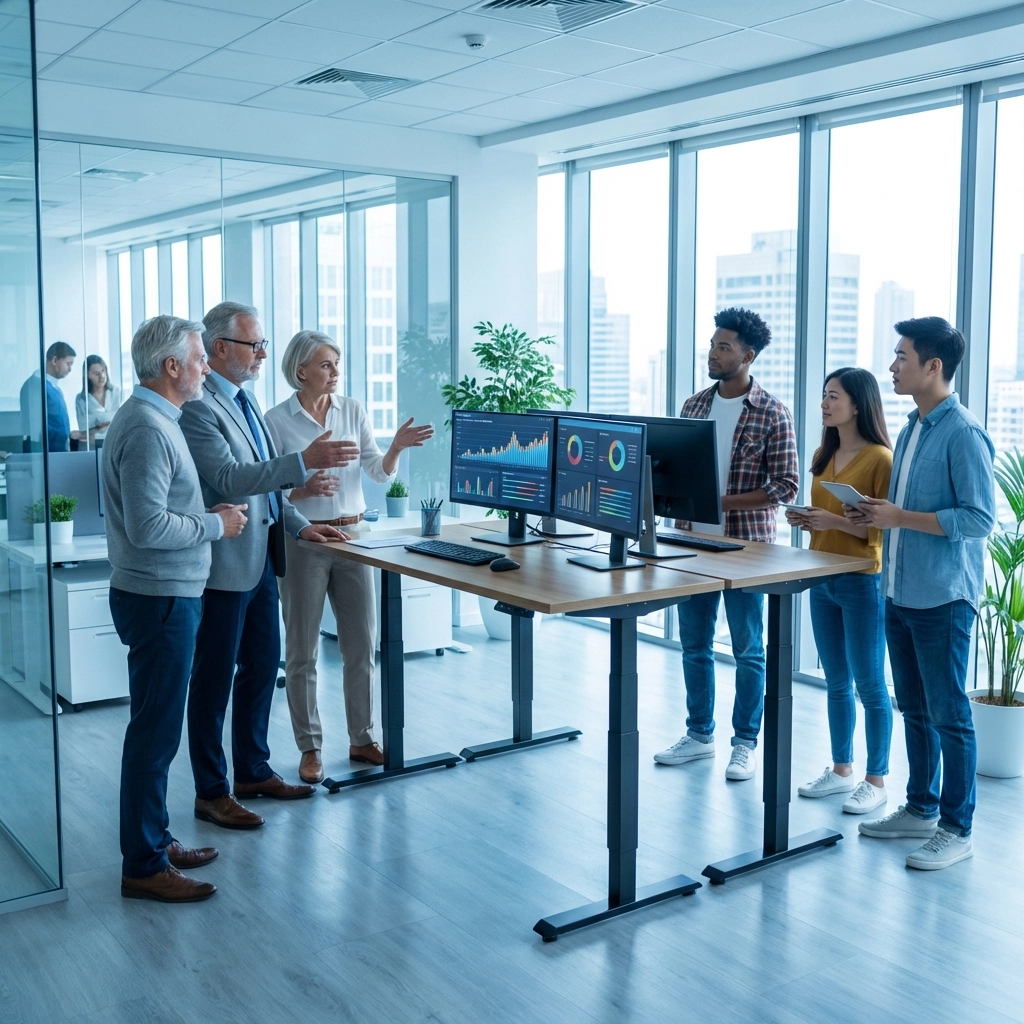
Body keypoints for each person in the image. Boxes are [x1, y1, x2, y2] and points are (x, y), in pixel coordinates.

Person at [179, 301, 354, 830]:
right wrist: (306, 462)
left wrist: (301, 525)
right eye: (252, 345)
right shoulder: (199, 407)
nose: (261, 354)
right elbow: (232, 479)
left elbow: (269, 489)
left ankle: (252, 770)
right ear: (218, 349)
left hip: (262, 561)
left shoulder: (247, 401)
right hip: (224, 565)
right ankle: (212, 790)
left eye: (261, 344)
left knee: (261, 668)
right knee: (213, 681)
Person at [103, 315, 248, 903]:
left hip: (168, 594)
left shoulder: (157, 419)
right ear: (171, 367)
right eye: (199, 358)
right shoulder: (147, 428)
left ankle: (155, 840)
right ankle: (143, 864)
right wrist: (217, 523)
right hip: (159, 596)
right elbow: (148, 526)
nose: (206, 367)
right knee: (155, 734)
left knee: (156, 728)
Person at [847, 317, 995, 870]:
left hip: (943, 599)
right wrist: (873, 513)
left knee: (949, 714)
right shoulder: (910, 430)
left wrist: (900, 516)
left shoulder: (964, 433)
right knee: (913, 707)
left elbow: (979, 519)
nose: (891, 366)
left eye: (901, 357)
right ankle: (921, 808)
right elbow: (904, 516)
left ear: (934, 366)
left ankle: (957, 828)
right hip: (900, 592)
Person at [265, 330, 434, 784]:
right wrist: (303, 488)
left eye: (337, 363)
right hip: (304, 542)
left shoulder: (352, 410)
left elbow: (376, 470)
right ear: (301, 370)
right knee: (302, 651)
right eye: (325, 364)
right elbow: (268, 491)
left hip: (353, 536)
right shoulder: (276, 421)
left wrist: (395, 447)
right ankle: (310, 748)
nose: (335, 372)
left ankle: (361, 738)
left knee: (361, 645)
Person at [654, 307, 799, 781]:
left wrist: (719, 504)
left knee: (748, 650)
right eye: (712, 344)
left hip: (746, 549)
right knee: (694, 644)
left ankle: (745, 742)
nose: (712, 353)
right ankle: (699, 736)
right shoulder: (693, 406)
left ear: (748, 355)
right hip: (690, 546)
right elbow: (671, 469)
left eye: (723, 346)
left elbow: (786, 486)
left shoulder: (773, 412)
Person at [786, 368, 893, 814]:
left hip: (861, 580)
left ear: (857, 405)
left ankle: (877, 778)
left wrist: (831, 522)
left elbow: (884, 532)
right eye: (824, 395)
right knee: (836, 682)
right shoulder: (822, 453)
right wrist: (809, 518)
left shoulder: (880, 459)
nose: (825, 404)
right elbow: (828, 515)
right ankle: (842, 769)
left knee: (870, 684)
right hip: (822, 577)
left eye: (834, 397)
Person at [20, 341, 86, 452]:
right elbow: (36, 429)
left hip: (56, 453)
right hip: (45, 455)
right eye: (68, 364)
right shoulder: (35, 387)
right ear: (55, 361)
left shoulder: (51, 386)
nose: (70, 369)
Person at [76, 354, 122, 442]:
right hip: (93, 445)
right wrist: (107, 422)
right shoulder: (81, 399)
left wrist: (97, 425)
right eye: (96, 374)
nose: (102, 377)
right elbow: (83, 430)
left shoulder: (116, 393)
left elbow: (121, 422)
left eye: (103, 371)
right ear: (87, 375)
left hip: (116, 442)